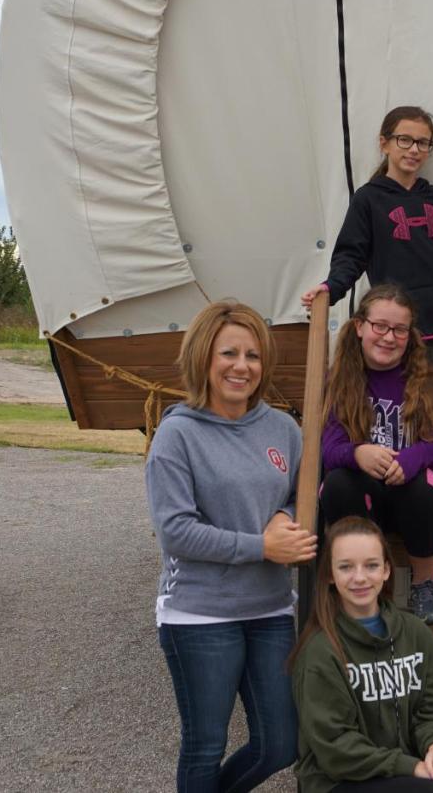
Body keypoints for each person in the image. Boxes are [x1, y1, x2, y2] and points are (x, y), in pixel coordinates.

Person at [146, 300, 317, 792]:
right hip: (199, 614)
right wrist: (261, 547)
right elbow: (176, 530)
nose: (242, 366)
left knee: (280, 743)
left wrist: (287, 520)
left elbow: (299, 498)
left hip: (269, 609)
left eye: (253, 355)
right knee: (205, 745)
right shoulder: (177, 435)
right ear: (203, 358)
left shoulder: (282, 429)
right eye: (229, 353)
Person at [289, 516, 433, 793]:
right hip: (337, 779)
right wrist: (412, 767)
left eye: (371, 565)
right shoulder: (320, 651)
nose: (360, 577)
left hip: (399, 767)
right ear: (330, 574)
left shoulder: (415, 633)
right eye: (346, 567)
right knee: (430, 791)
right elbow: (336, 748)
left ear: (387, 570)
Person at [303, 106, 433, 375]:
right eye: (405, 140)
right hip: (391, 327)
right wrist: (330, 288)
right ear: (384, 143)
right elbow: (351, 256)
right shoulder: (368, 200)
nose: (414, 149)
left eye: (423, 143)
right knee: (390, 403)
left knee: (429, 405)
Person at [320, 284, 433, 624]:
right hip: (361, 501)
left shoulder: (428, 381)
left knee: (425, 486)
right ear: (359, 327)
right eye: (380, 326)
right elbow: (327, 449)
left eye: (399, 329)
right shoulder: (339, 380)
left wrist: (410, 460)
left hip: (408, 499)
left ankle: (426, 584)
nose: (388, 337)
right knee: (337, 482)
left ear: (410, 336)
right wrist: (359, 454)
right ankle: (357, 588)